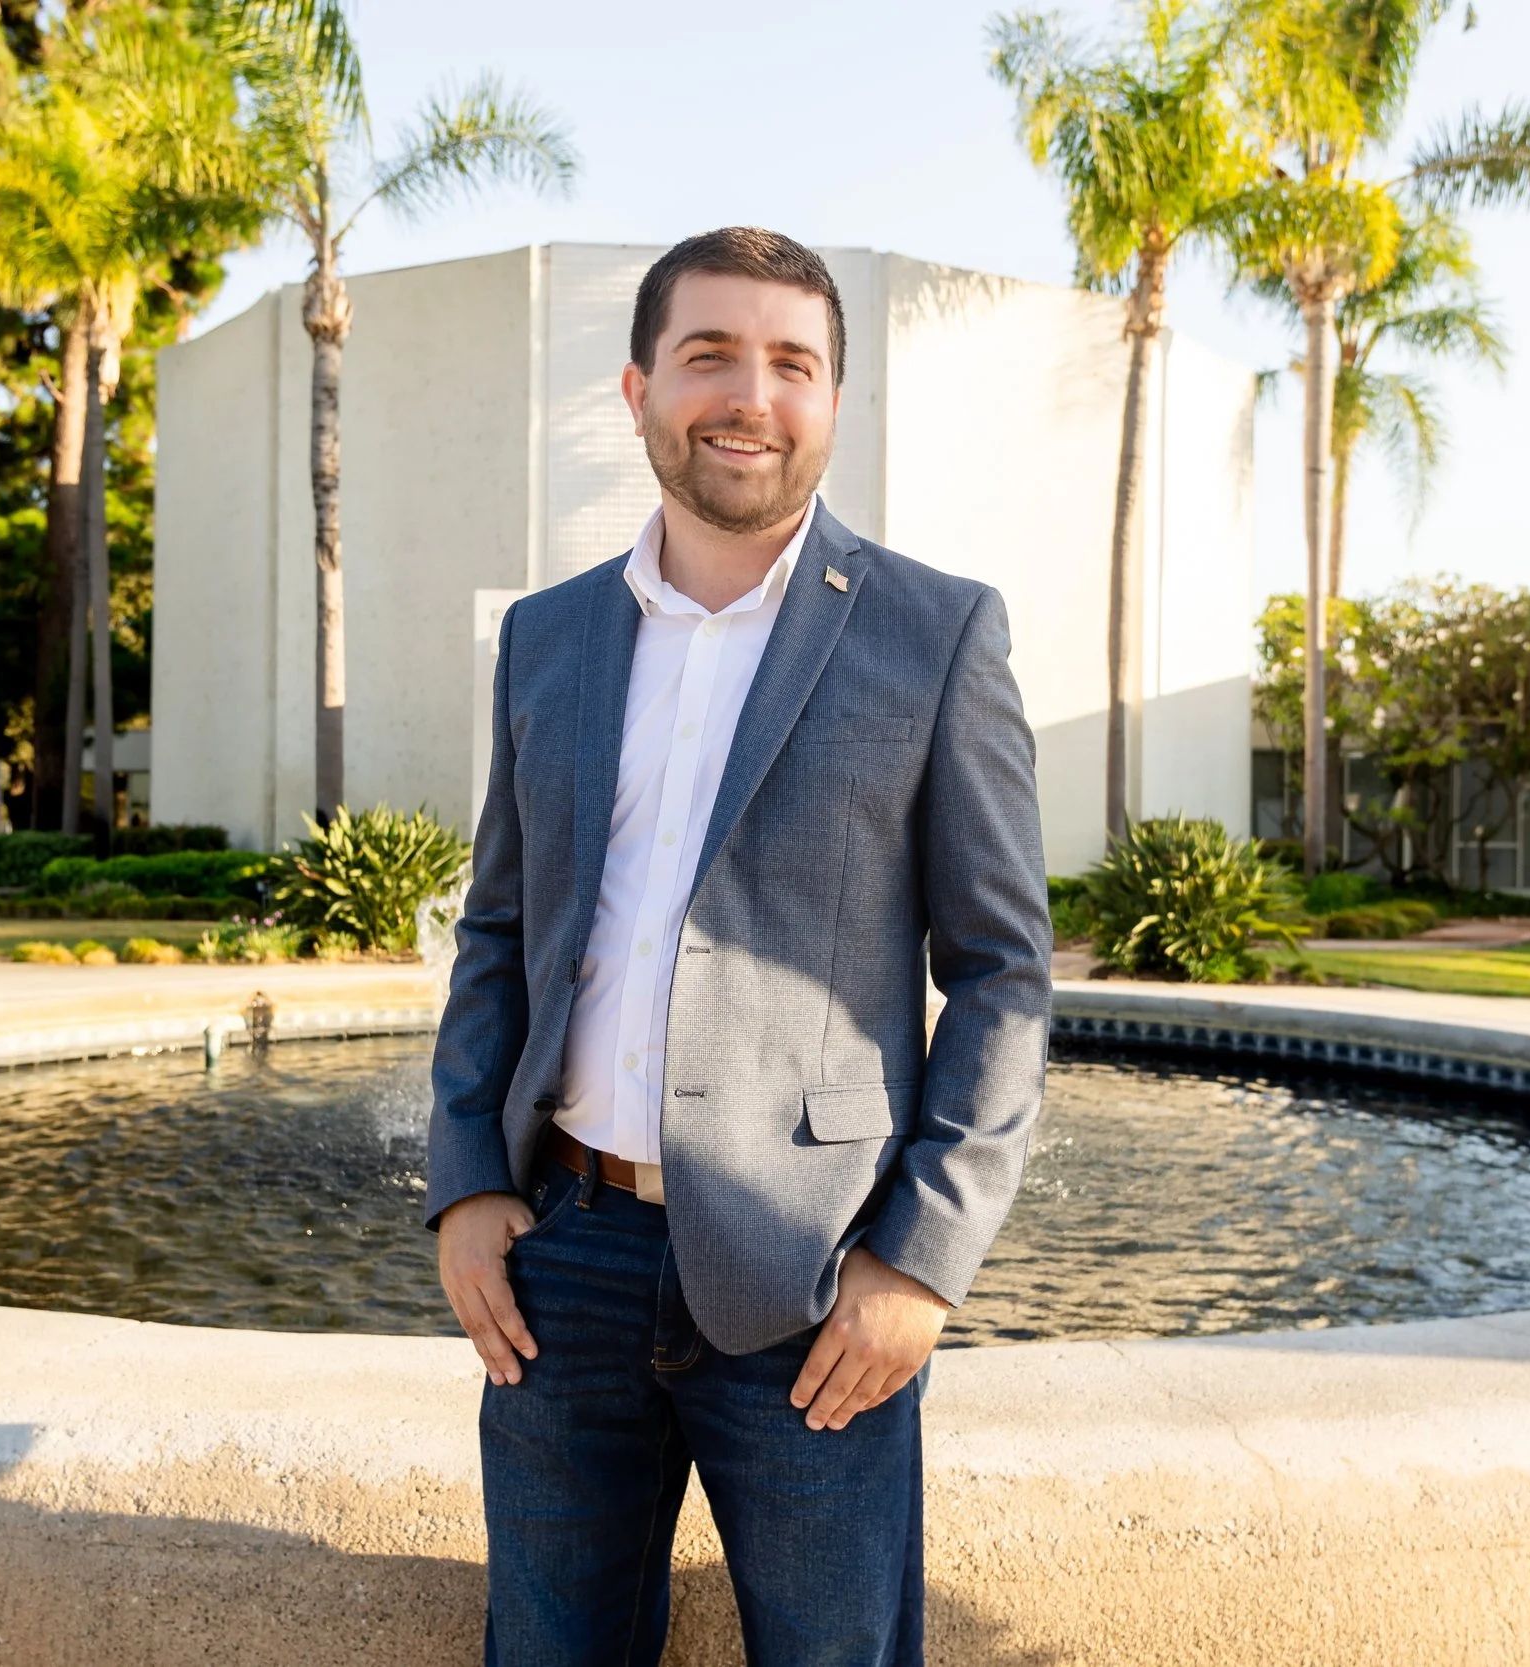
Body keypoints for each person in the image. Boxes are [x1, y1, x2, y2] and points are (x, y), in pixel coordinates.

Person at [427, 226, 1051, 1667]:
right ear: (638, 385)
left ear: (833, 401)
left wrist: (923, 1261)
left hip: (815, 1274)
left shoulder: (937, 632)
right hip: (562, 1265)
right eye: (709, 354)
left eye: (792, 363)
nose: (748, 396)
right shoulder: (549, 636)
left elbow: (1005, 971)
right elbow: (501, 928)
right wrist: (465, 1181)